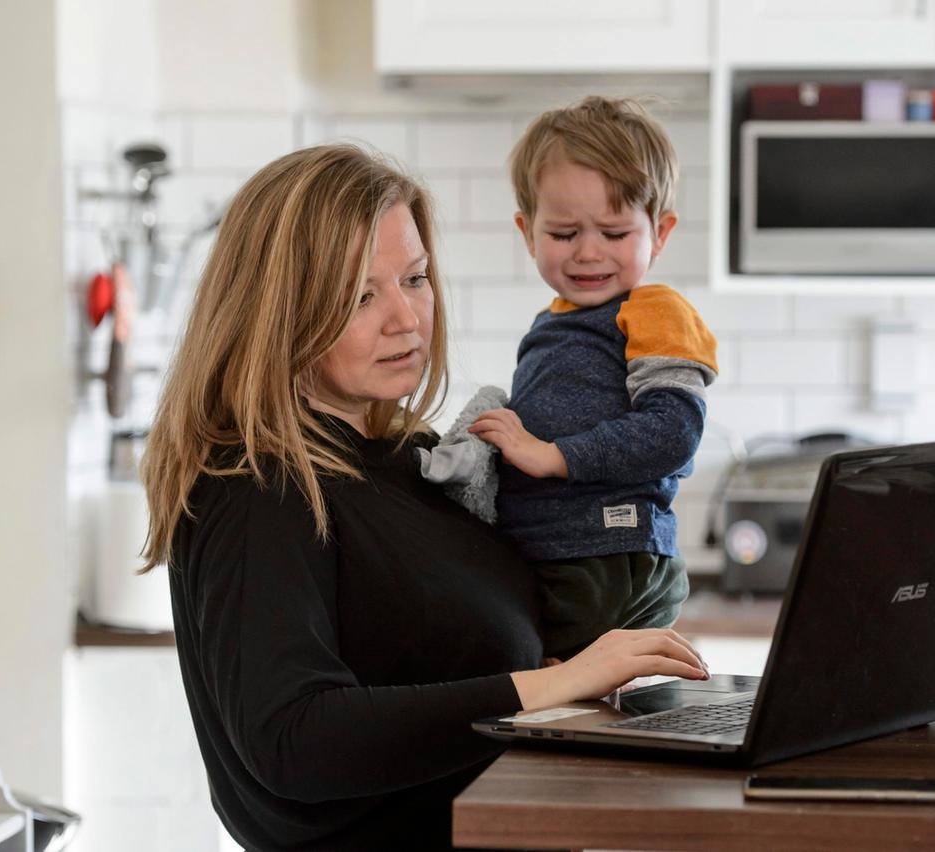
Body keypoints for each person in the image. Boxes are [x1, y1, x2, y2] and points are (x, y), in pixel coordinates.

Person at [138, 144, 709, 851]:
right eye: (360, 296)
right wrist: (544, 689)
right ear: (279, 310)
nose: (406, 319)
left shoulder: (414, 460)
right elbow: (293, 741)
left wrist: (567, 673)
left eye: (414, 278)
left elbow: (439, 665)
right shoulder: (257, 486)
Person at [468, 96, 719, 660]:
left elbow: (674, 430)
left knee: (510, 670)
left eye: (613, 232)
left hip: (608, 558)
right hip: (560, 556)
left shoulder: (655, 310)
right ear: (526, 230)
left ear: (660, 232)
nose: (587, 253)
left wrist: (554, 455)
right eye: (562, 234)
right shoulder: (549, 322)